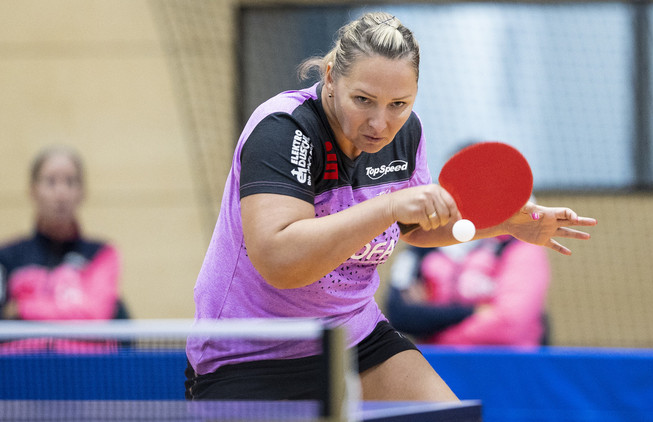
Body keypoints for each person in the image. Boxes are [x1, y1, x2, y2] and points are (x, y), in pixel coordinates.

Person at [185, 12, 596, 402]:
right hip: (252, 353)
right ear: (330, 78)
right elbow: (280, 261)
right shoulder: (285, 129)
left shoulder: (406, 134)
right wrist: (389, 206)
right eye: (363, 99)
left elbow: (415, 227)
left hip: (354, 336)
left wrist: (505, 224)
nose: (380, 123)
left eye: (399, 104)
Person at [0, 146, 128, 324]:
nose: (61, 193)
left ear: (82, 192)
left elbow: (94, 314)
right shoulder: (6, 257)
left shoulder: (102, 253)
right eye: (51, 182)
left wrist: (23, 308)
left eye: (70, 182)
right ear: (33, 191)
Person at [386, 234, 551, 346]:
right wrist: (475, 311)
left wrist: (433, 335)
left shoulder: (518, 245)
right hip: (439, 368)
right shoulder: (422, 244)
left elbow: (508, 325)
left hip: (510, 369)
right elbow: (400, 315)